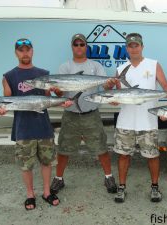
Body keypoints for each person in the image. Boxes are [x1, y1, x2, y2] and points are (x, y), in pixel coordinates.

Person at [0, 38, 62, 210]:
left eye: (27, 49)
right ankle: (30, 194)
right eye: (21, 50)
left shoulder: (43, 73)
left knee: (46, 162)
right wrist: (3, 108)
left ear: (33, 51)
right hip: (23, 128)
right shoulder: (9, 76)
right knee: (26, 165)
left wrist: (59, 96)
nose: (24, 53)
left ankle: (47, 192)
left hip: (43, 126)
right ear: (16, 53)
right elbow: (8, 100)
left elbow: (48, 98)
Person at [50, 33, 117, 194]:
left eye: (82, 44)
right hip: (70, 115)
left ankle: (109, 177)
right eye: (76, 44)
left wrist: (110, 84)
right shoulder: (64, 67)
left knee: (101, 147)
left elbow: (105, 88)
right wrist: (57, 91)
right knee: (64, 148)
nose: (79, 47)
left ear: (86, 47)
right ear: (72, 47)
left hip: (91, 114)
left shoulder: (96, 66)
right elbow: (60, 94)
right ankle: (59, 178)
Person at [111, 33, 167, 203]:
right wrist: (113, 100)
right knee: (123, 155)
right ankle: (122, 187)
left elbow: (166, 86)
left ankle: (155, 187)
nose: (134, 48)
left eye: (136, 45)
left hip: (148, 120)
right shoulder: (120, 69)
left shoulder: (153, 65)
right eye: (130, 46)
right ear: (127, 48)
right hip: (125, 121)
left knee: (152, 156)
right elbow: (117, 98)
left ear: (142, 47)